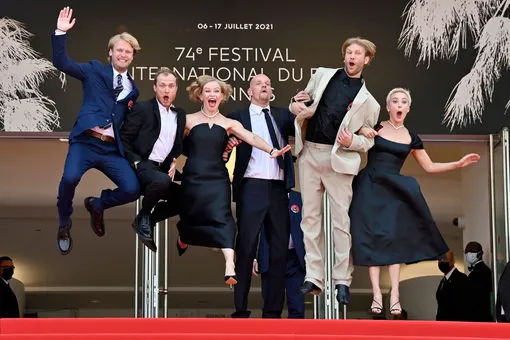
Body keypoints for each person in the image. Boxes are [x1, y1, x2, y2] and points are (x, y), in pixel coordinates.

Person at [352, 88, 480, 316]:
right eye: (395, 101)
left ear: (408, 108)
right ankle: (376, 294)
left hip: (393, 190)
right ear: (388, 106)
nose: (399, 105)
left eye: (403, 102)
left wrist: (458, 164)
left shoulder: (412, 138)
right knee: (372, 238)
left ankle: (395, 295)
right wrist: (361, 128)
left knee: (391, 240)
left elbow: (429, 167)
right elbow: (352, 131)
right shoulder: (376, 126)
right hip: (370, 185)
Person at [175, 75, 291, 285]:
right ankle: (184, 236)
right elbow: (173, 145)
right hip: (193, 178)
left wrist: (272, 150)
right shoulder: (188, 120)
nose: (212, 94)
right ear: (200, 95)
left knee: (225, 219)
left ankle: (230, 265)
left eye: (216, 91)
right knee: (191, 218)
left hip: (218, 179)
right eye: (208, 91)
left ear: (222, 96)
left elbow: (252, 137)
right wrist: (170, 164)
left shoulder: (230, 123)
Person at [289, 37, 380, 305]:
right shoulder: (322, 75)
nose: (352, 56)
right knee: (310, 219)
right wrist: (296, 103)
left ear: (366, 60)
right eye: (349, 52)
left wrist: (354, 141)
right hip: (310, 153)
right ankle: (314, 276)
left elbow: (369, 139)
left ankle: (342, 280)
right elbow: (300, 102)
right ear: (344, 56)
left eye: (358, 53)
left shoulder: (370, 103)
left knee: (341, 223)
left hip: (339, 159)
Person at [52, 7, 140, 255]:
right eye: (119, 50)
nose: (123, 54)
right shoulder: (93, 70)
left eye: (128, 52)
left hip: (111, 149)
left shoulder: (134, 90)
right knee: (69, 179)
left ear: (133, 57)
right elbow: (61, 62)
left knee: (133, 190)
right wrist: (60, 32)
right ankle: (63, 223)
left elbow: (130, 124)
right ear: (111, 53)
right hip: (85, 143)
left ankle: (97, 205)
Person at [224, 74, 296, 319]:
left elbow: (303, 122)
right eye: (258, 83)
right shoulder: (238, 117)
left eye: (267, 83)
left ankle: (273, 311)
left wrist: (302, 106)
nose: (264, 86)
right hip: (251, 186)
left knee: (279, 250)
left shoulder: (282, 115)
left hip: (278, 188)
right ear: (249, 91)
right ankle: (241, 308)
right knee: (246, 246)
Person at [120, 67, 185, 252]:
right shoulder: (142, 108)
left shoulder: (179, 114)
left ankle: (149, 219)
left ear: (176, 89)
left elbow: (178, 144)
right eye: (162, 86)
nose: (167, 90)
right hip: (143, 166)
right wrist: (136, 162)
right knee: (162, 181)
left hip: (161, 170)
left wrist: (174, 161)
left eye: (171, 86)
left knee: (186, 197)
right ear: (155, 88)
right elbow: (124, 138)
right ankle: (144, 215)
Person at [254, 189, 306, 319]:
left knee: (297, 306)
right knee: (271, 308)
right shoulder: (264, 196)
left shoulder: (300, 198)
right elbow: (255, 228)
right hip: (271, 258)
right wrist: (254, 257)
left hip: (295, 259)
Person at [436, 251, 471, 321]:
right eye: (440, 260)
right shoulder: (443, 281)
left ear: (452, 261)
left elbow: (462, 307)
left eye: (445, 259)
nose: (441, 261)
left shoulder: (461, 279)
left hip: (454, 326)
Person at [464, 241, 493, 322]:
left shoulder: (483, 272)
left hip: (480, 318)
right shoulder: (480, 272)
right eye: (466, 251)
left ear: (480, 253)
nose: (468, 253)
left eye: (471, 250)